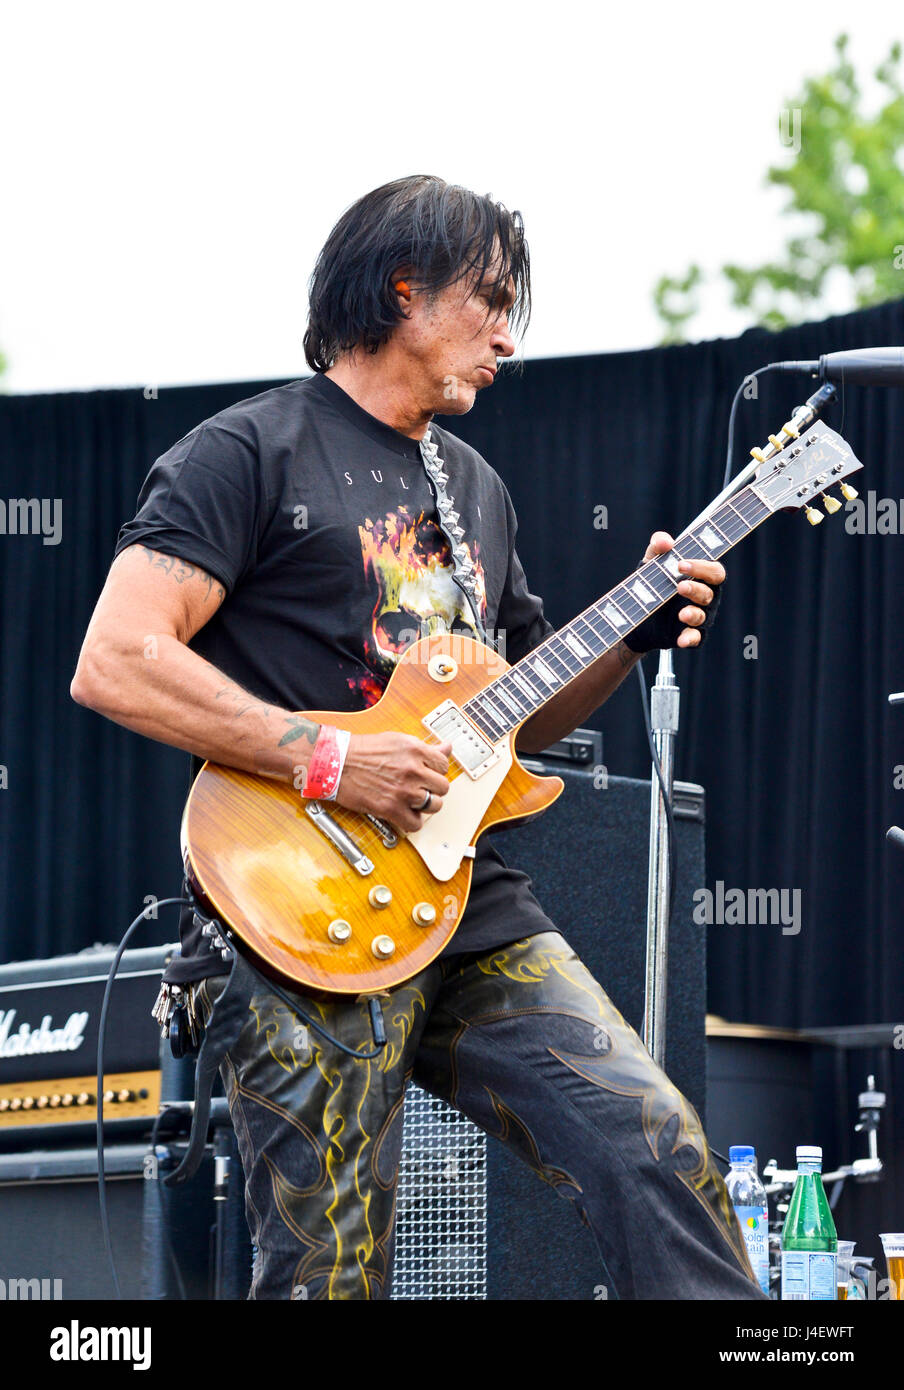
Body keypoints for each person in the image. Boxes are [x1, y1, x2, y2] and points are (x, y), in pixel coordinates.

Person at [71, 175, 762, 1302]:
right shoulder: (249, 451)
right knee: (328, 1265)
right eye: (489, 302)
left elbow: (520, 714)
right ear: (404, 292)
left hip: (467, 899)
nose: (508, 337)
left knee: (655, 1145)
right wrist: (333, 758)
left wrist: (632, 628)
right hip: (301, 901)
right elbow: (117, 659)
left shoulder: (475, 488)